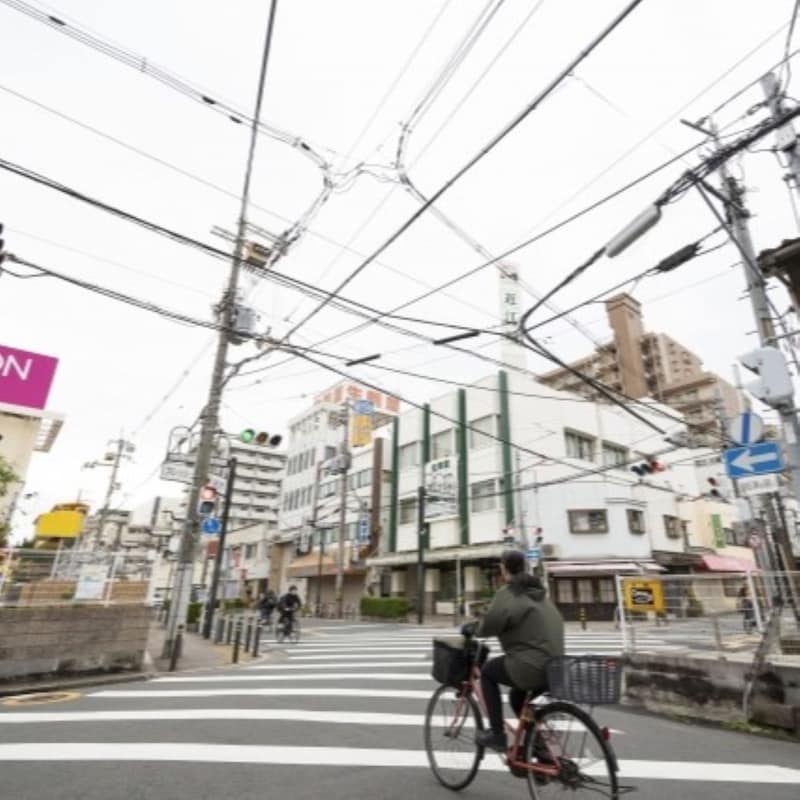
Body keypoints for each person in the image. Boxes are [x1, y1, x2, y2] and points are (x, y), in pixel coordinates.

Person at [469, 550, 565, 752]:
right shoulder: (539, 593)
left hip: (531, 665)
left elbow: (490, 624)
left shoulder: (510, 592)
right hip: (555, 668)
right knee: (517, 698)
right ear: (524, 567)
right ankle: (540, 749)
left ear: (504, 569)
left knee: (487, 672)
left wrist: (474, 628)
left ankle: (496, 734)